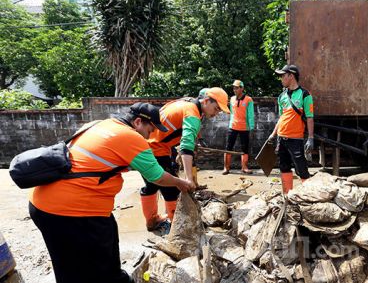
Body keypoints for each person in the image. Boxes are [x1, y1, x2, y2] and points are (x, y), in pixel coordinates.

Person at [29, 102, 195, 283]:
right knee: (106, 269)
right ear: (138, 122)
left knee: (67, 265)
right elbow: (157, 176)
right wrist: (181, 183)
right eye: (151, 129)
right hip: (75, 211)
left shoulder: (99, 124)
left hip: (43, 205)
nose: (152, 135)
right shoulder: (131, 137)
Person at [142, 87, 229, 232]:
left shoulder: (187, 103)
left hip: (149, 146)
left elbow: (178, 132)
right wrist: (189, 179)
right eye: (216, 108)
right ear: (206, 101)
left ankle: (152, 221)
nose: (217, 113)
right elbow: (187, 145)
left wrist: (177, 150)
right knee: (172, 188)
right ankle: (177, 228)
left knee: (151, 186)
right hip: (155, 148)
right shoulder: (193, 112)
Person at [268, 64, 315, 193]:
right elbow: (281, 117)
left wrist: (310, 138)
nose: (281, 79)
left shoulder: (305, 95)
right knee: (284, 167)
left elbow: (310, 117)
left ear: (291, 76)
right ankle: (287, 196)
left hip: (296, 139)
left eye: (283, 76)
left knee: (301, 169)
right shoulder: (282, 96)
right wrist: (273, 134)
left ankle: (309, 195)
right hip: (281, 138)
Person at [223, 79, 255, 175]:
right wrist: (231, 122)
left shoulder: (248, 100)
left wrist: (251, 127)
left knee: (244, 148)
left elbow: (251, 114)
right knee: (228, 147)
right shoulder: (232, 99)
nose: (234, 90)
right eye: (233, 88)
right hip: (233, 126)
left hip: (244, 128)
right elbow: (232, 113)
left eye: (236, 88)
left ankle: (244, 167)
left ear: (242, 88)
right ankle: (226, 168)